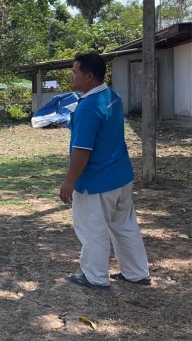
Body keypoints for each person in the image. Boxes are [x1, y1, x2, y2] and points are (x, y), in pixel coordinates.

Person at [60, 52, 150, 290]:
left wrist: (70, 181)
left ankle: (95, 276)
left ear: (89, 76)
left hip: (96, 182)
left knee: (93, 230)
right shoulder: (112, 96)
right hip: (121, 176)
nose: (72, 76)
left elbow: (82, 150)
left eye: (75, 72)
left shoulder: (88, 107)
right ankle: (136, 272)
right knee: (125, 226)